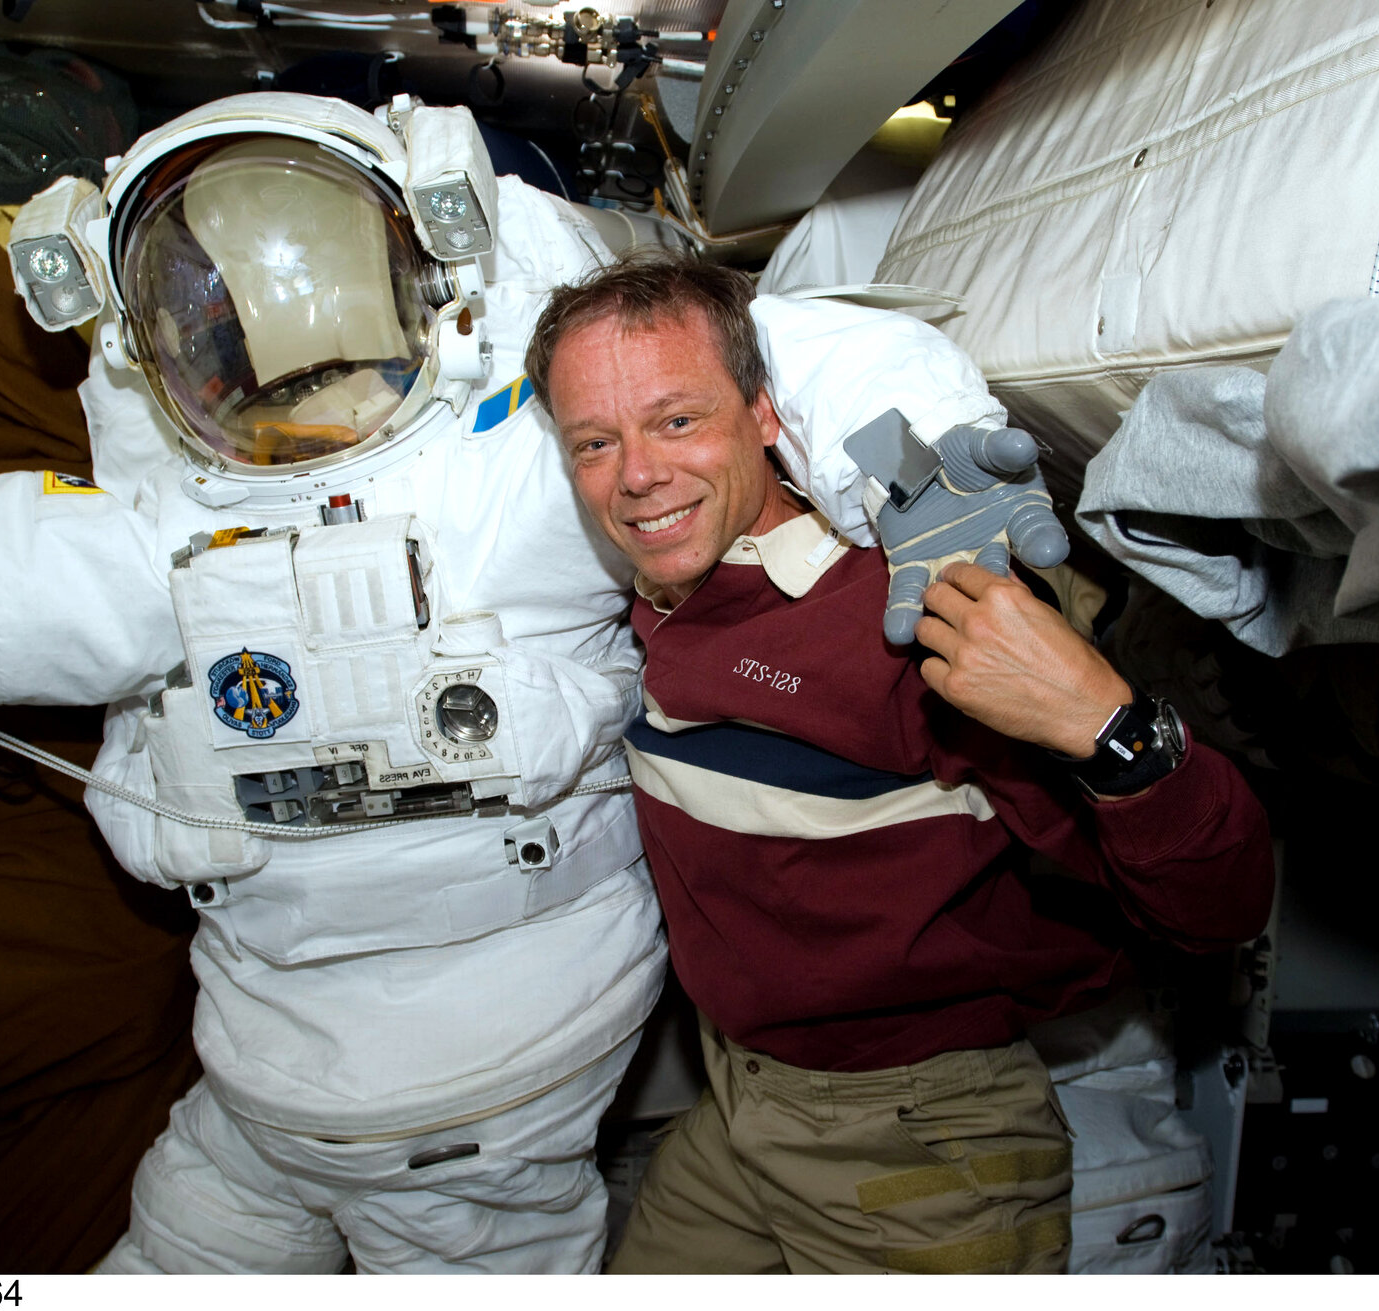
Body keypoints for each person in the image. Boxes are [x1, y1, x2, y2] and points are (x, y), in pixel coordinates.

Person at [0, 96, 1068, 1274]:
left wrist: (930, 464)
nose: (272, 376)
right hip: (259, 1077)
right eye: (213, 324)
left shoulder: (524, 469)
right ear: (143, 334)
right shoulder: (154, 537)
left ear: (431, 268)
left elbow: (748, 361)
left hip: (486, 1091)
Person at [526, 253, 1276, 1275]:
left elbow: (1219, 907)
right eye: (596, 443)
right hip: (740, 1101)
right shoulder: (652, 593)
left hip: (914, 1134)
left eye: (677, 420)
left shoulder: (901, 621)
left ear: (763, 414)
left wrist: (1109, 725)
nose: (638, 476)